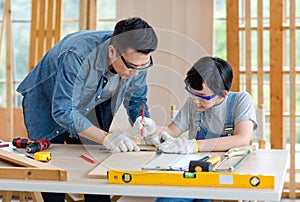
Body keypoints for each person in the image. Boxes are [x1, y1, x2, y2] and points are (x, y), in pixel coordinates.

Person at [16, 17, 158, 202]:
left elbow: (136, 99)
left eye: (143, 66)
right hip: (47, 103)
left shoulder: (137, 59)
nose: (137, 72)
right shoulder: (77, 55)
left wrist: (142, 119)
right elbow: (63, 110)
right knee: (52, 179)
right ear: (113, 51)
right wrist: (106, 137)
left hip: (91, 105)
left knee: (96, 174)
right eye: (132, 66)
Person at [143, 56, 257, 202]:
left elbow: (242, 138)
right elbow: (172, 131)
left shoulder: (240, 100)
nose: (196, 102)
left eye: (202, 96)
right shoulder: (194, 103)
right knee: (166, 199)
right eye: (192, 94)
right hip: (194, 171)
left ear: (223, 93)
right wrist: (156, 131)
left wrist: (193, 145)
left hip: (228, 173)